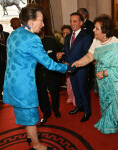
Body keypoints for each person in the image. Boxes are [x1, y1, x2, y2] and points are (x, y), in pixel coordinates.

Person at [3, 4, 68, 150]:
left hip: (11, 83)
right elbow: (49, 64)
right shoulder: (32, 39)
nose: (43, 25)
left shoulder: (13, 34)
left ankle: (29, 135)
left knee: (23, 113)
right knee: (31, 118)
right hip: (24, 86)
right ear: (31, 21)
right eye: (41, 20)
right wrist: (67, 67)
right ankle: (37, 145)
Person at [72, 14, 118, 134]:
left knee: (113, 105)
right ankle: (107, 123)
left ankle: (112, 127)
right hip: (102, 81)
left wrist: (104, 73)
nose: (93, 30)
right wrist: (77, 63)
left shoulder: (116, 46)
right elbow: (89, 56)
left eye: (96, 28)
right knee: (104, 101)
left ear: (104, 32)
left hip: (114, 82)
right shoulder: (96, 41)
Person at [57, 12, 92, 122]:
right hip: (70, 68)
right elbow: (67, 50)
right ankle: (79, 106)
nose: (72, 24)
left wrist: (73, 63)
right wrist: (61, 55)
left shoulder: (86, 36)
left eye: (75, 21)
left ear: (81, 23)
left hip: (81, 68)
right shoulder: (68, 36)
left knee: (83, 90)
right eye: (71, 21)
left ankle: (87, 111)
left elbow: (86, 54)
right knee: (75, 89)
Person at [36, 28, 62, 125]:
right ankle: (46, 113)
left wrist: (58, 57)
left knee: (54, 93)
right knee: (42, 95)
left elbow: (57, 54)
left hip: (52, 73)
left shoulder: (51, 40)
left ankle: (56, 110)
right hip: (38, 73)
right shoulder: (32, 42)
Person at [77, 8, 95, 90]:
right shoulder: (78, 24)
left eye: (80, 14)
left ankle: (90, 84)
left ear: (85, 15)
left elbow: (91, 38)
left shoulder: (91, 24)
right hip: (79, 50)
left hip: (88, 50)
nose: (78, 16)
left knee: (89, 68)